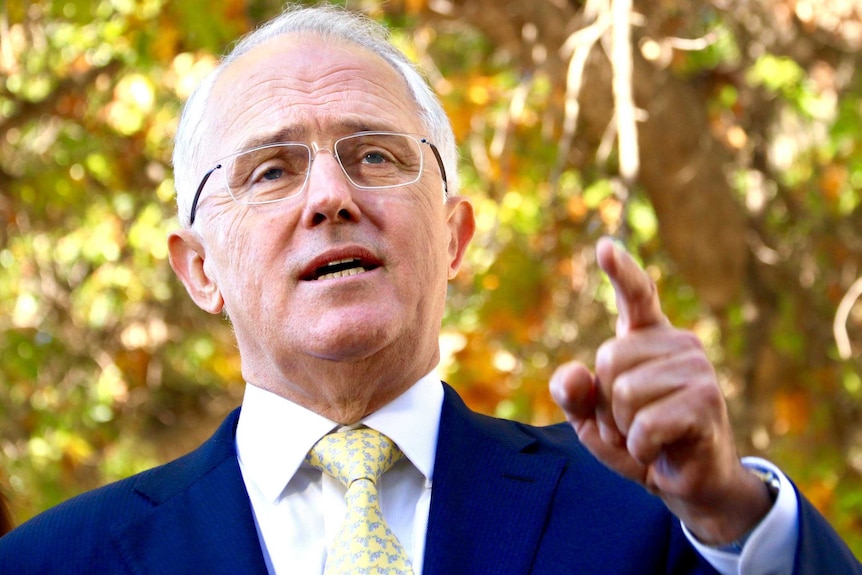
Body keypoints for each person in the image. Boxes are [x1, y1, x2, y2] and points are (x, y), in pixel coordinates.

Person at [0, 4, 859, 574]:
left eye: (375, 154)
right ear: (198, 269)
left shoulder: (649, 515)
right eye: (271, 169)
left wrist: (729, 513)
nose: (331, 195)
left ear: (453, 235)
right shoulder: (53, 561)